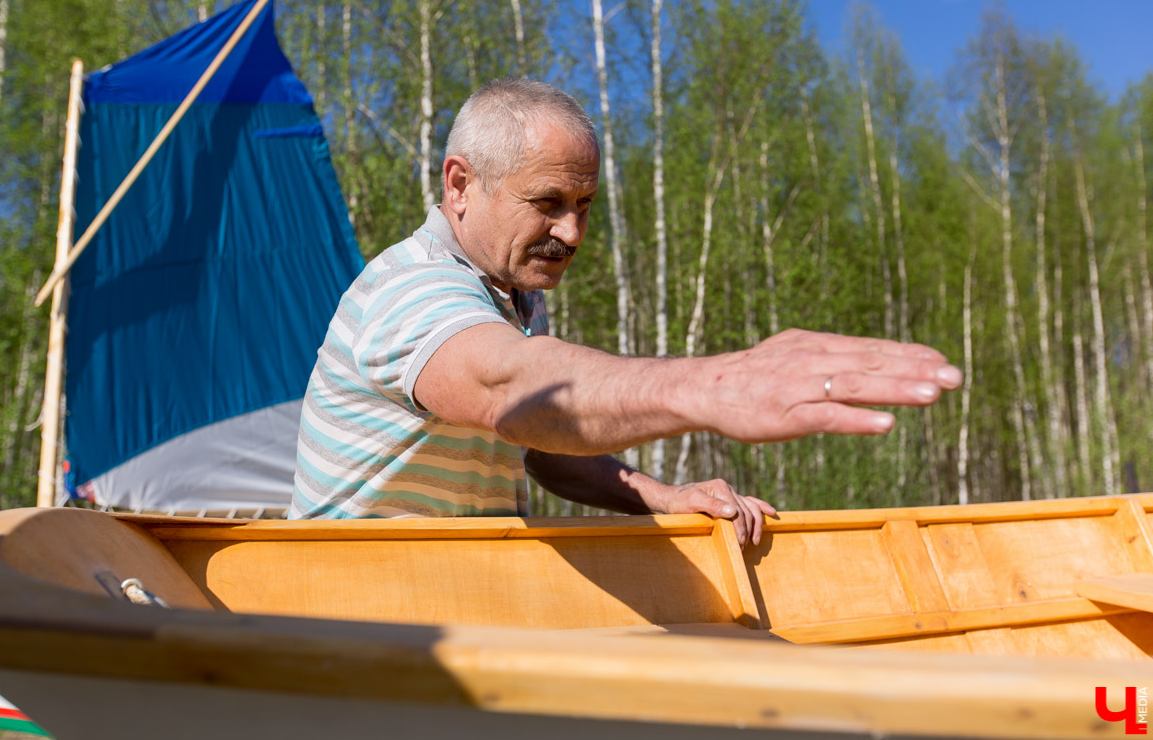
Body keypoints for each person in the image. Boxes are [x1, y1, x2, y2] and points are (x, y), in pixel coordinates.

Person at [290, 79, 962, 545]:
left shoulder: (515, 299)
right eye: (548, 202)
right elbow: (513, 387)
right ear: (460, 184)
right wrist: (713, 384)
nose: (574, 233)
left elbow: (543, 443)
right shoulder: (410, 290)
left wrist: (663, 497)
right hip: (336, 623)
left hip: (453, 604)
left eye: (584, 206)